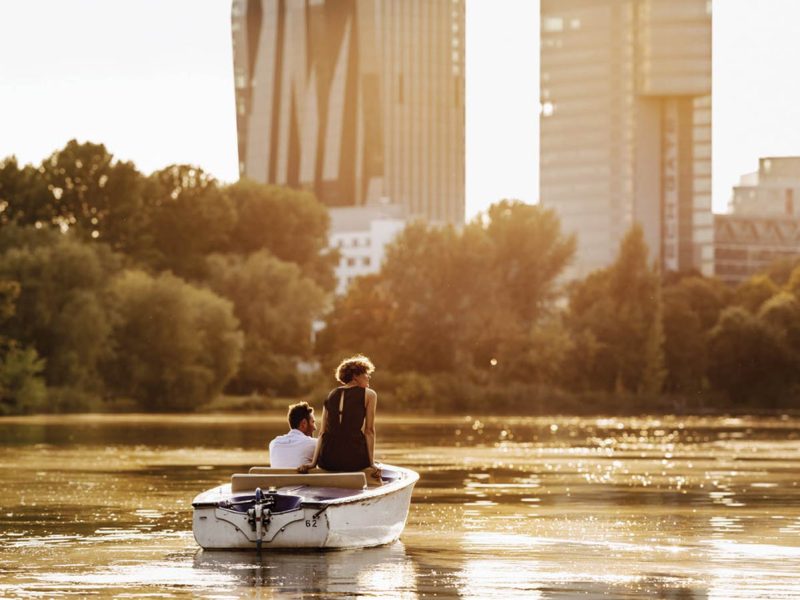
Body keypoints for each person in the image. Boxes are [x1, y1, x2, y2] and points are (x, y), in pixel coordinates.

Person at [298, 355, 380, 481]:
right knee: (375, 464)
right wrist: (372, 463)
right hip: (354, 460)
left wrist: (313, 463)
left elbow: (322, 432)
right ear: (355, 376)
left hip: (328, 461)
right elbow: (369, 431)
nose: (368, 377)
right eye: (365, 373)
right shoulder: (369, 395)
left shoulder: (330, 395)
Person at [268, 401, 317, 468]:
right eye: (313, 422)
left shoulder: (274, 444)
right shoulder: (314, 444)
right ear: (303, 424)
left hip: (277, 479)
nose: (315, 428)